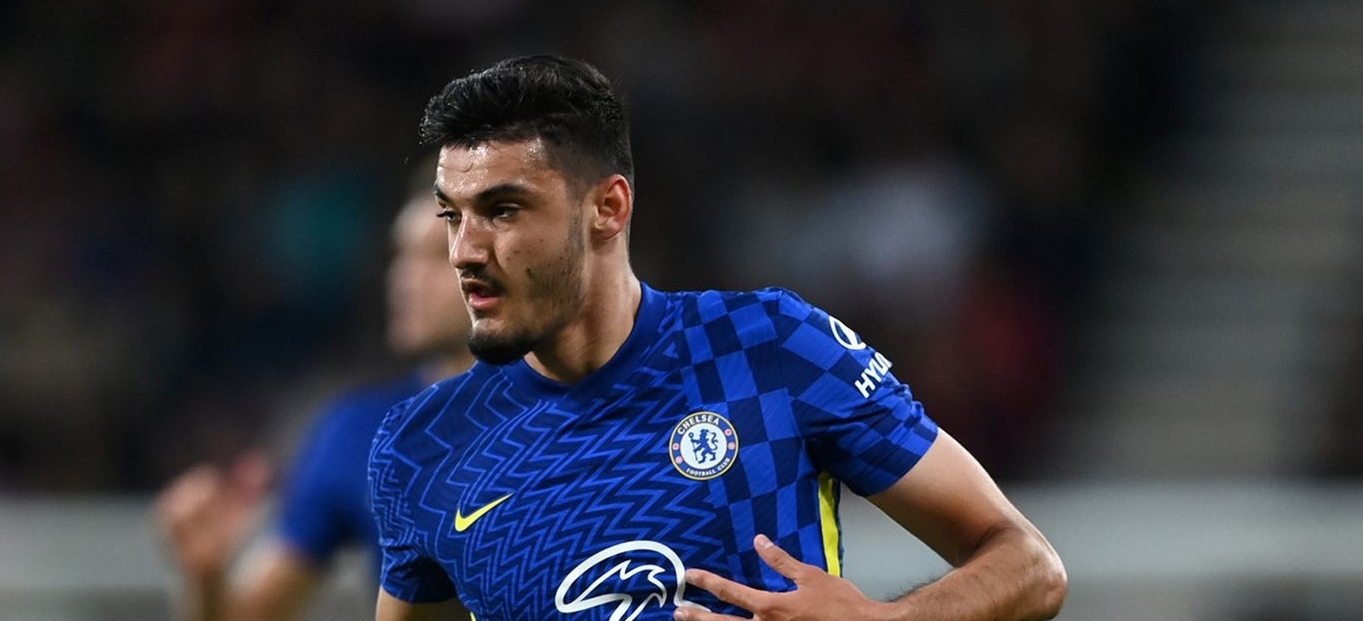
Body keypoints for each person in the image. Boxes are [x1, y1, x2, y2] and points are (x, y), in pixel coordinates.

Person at [369, 55, 1067, 621]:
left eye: (502, 210)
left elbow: (1027, 564)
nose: (463, 250)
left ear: (608, 207)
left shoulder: (766, 348)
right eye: (452, 215)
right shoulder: (422, 445)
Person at [155, 176, 474, 621]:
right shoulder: (362, 430)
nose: (404, 278)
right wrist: (208, 575)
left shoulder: (566, 410)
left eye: (437, 255)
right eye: (401, 255)